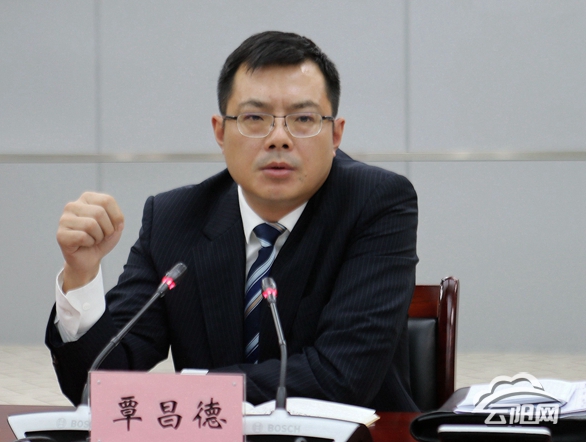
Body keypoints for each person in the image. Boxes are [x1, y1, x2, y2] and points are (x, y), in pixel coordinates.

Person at [46, 30, 419, 412]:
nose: (279, 138)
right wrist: (81, 274)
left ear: (336, 133)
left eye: (303, 118)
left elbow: (341, 376)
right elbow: (97, 387)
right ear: (220, 132)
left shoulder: (375, 203)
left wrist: (191, 391)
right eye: (254, 118)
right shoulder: (175, 219)